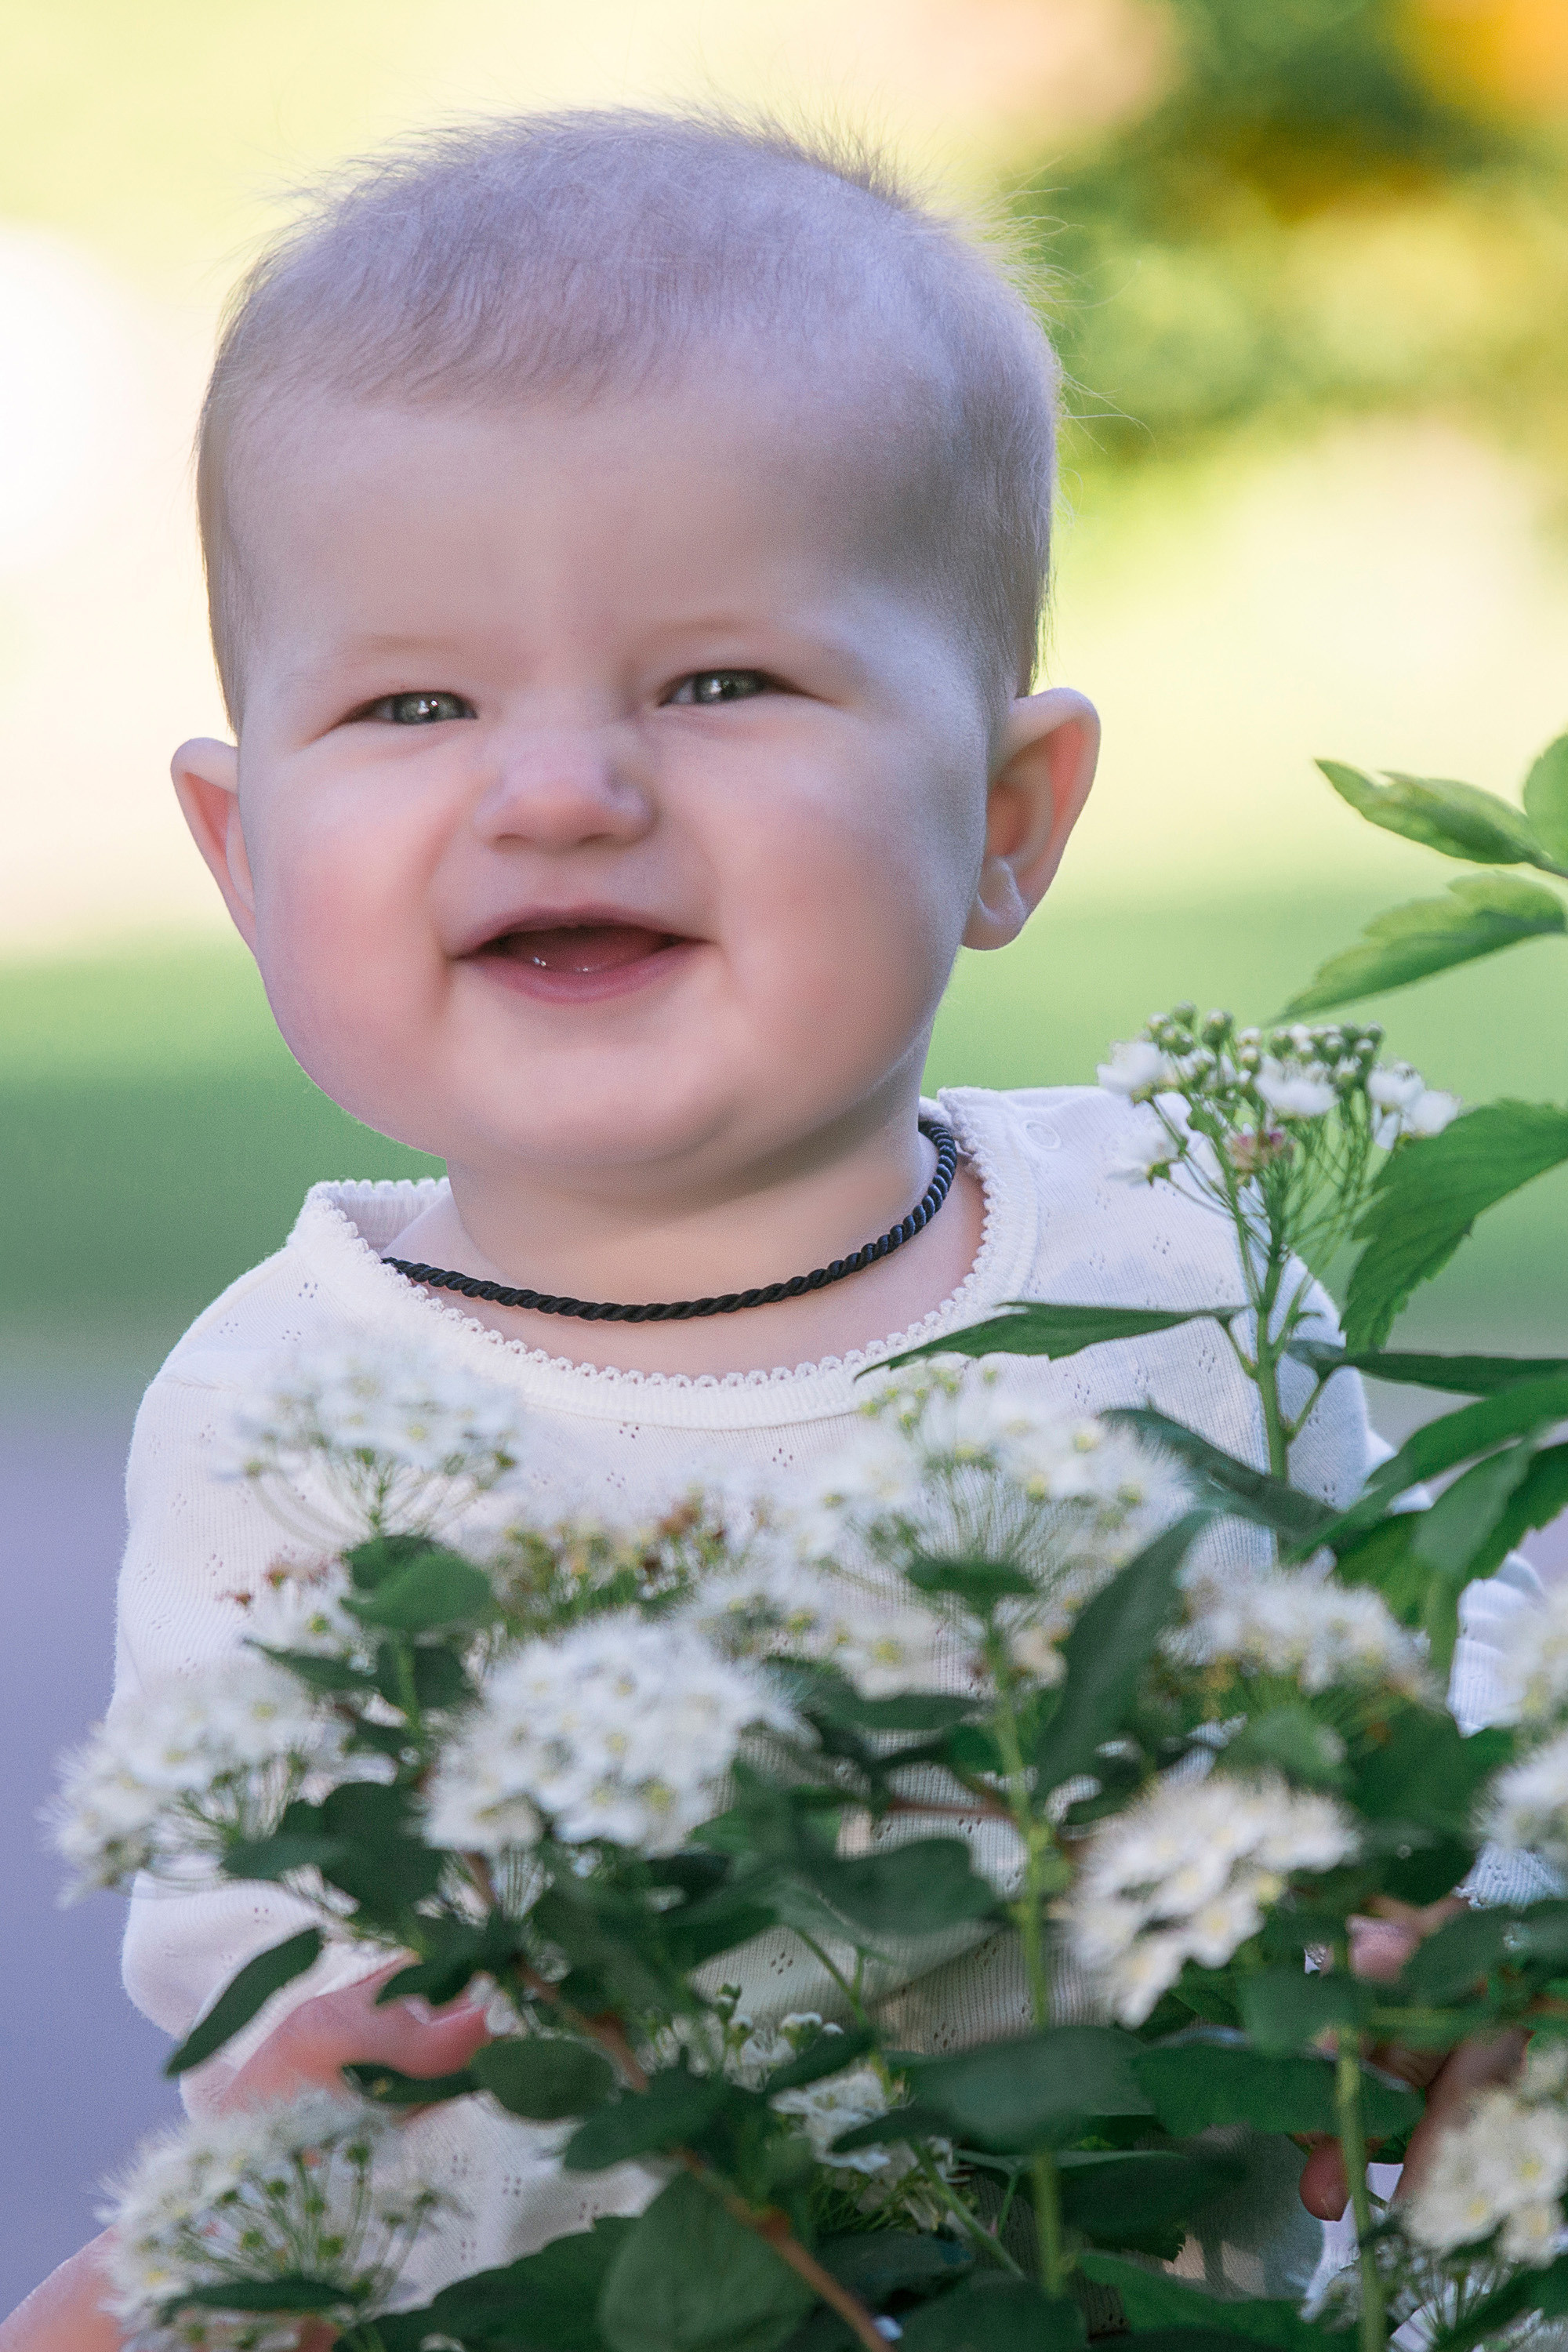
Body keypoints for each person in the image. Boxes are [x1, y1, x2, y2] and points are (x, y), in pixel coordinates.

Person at [0, 109, 1540, 2349]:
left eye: (721, 683)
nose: (559, 788)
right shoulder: (296, 1413)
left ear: (1007, 821)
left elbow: (1456, 1713)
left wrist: (1453, 1941)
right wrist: (313, 2099)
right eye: (412, 702)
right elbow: (297, 1935)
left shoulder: (1186, 1260)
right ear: (244, 864)